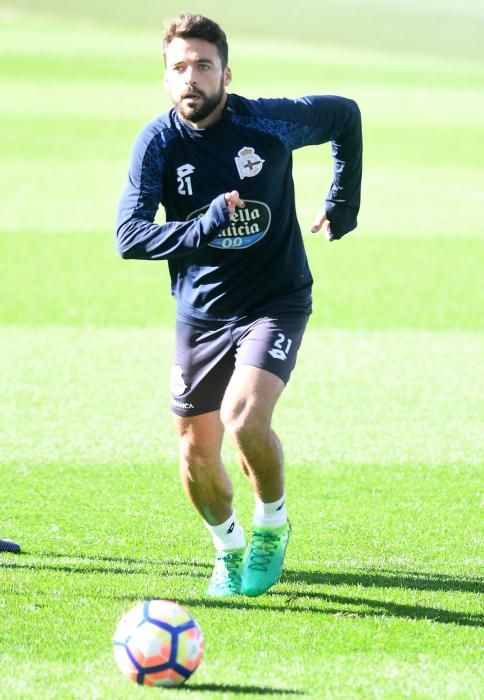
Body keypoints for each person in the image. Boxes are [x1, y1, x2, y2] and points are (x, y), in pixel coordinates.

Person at [115, 14, 362, 597]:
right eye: (180, 68)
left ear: (226, 72)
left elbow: (345, 115)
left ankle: (272, 525)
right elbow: (129, 235)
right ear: (166, 79)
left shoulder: (268, 120)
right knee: (195, 452)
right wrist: (201, 226)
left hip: (275, 299)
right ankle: (227, 547)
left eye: (203, 65)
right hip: (201, 313)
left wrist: (343, 199)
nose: (192, 78)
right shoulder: (157, 143)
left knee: (244, 418)